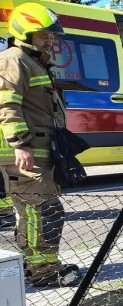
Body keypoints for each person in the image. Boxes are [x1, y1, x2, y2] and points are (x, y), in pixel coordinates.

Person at [0, 2, 80, 287]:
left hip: (39, 150)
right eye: (44, 35)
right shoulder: (14, 59)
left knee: (36, 211)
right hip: (24, 153)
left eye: (52, 35)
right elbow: (7, 104)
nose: (51, 39)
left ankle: (39, 266)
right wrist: (21, 144)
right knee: (43, 210)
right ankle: (44, 272)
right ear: (25, 31)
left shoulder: (33, 61)